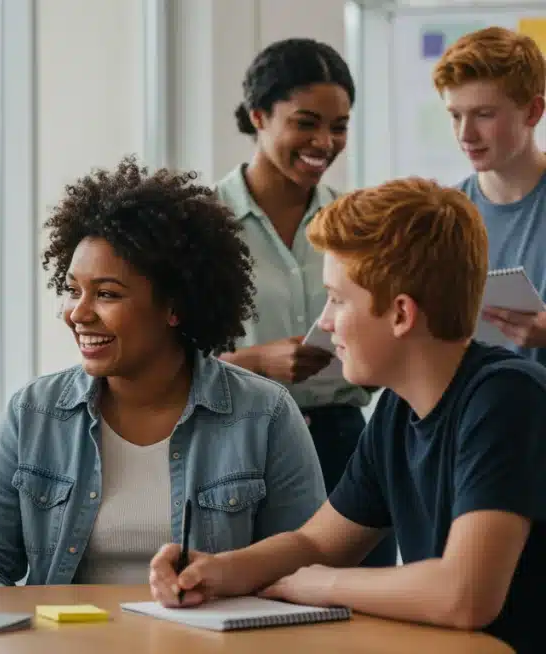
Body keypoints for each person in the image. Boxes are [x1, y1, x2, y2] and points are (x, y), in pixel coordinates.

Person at [149, 178, 546, 653]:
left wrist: (318, 586)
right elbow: (317, 544)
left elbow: (465, 596)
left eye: (337, 298)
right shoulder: (399, 407)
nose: (326, 323)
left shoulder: (506, 398)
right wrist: (218, 571)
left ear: (401, 314)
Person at [0, 158, 326, 590]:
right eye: (72, 290)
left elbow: (301, 570)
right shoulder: (34, 412)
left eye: (106, 294)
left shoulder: (265, 415)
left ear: (175, 306)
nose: (78, 313)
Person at [214, 37, 394, 567]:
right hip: (243, 443)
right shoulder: (203, 223)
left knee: (366, 622)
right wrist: (253, 364)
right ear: (259, 115)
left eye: (339, 126)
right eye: (306, 122)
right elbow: (163, 357)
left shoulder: (359, 222)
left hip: (347, 447)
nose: (325, 141)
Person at [435, 26, 546, 366]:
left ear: (533, 112)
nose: (465, 134)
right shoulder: (443, 216)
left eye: (484, 114)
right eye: (455, 115)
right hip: (479, 413)